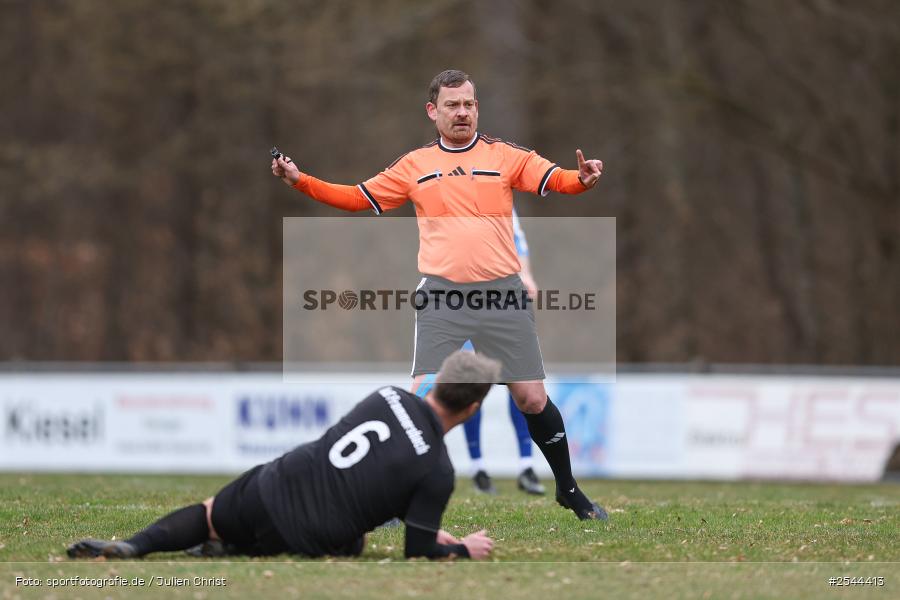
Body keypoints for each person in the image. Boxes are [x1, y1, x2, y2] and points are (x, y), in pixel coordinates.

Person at [271, 69, 606, 521]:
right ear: (433, 111)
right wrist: (301, 181)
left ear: (477, 108)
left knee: (531, 399)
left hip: (502, 294)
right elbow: (356, 198)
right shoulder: (413, 166)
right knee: (421, 399)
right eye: (452, 105)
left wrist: (580, 179)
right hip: (443, 297)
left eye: (468, 104)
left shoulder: (505, 156)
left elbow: (555, 179)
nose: (462, 112)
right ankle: (390, 499)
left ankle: (568, 490)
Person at [67, 351, 500, 560]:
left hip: (273, 483)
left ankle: (137, 544)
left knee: (210, 512)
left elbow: (381, 463)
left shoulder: (385, 396)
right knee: (351, 543)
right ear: (473, 408)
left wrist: (420, 518)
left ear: (439, 382)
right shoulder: (438, 470)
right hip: (306, 534)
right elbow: (416, 549)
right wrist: (463, 548)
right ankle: (232, 550)